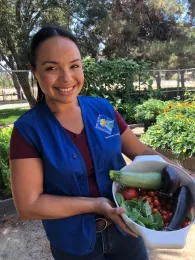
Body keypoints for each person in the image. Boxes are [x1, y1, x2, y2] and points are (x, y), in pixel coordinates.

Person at [10, 25, 173, 260]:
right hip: (73, 244)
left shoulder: (102, 110)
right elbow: (29, 206)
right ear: (34, 71)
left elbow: (141, 152)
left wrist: (182, 177)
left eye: (74, 66)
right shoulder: (28, 130)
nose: (66, 78)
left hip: (127, 229)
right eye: (51, 68)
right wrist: (96, 205)